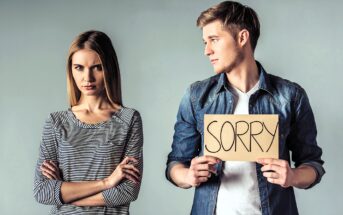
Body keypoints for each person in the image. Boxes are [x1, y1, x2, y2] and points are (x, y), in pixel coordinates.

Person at [166, 1, 325, 215]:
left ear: (242, 38)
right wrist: (187, 176)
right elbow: (175, 163)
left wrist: (293, 176)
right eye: (205, 42)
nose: (207, 50)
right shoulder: (196, 96)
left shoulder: (290, 96)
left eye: (214, 40)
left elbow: (313, 165)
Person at [34, 30, 143, 215]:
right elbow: (42, 192)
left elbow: (127, 191)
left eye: (97, 67)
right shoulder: (55, 122)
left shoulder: (128, 119)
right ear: (71, 70)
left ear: (109, 68)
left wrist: (65, 192)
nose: (88, 78)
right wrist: (107, 182)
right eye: (79, 67)